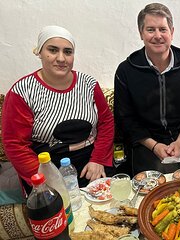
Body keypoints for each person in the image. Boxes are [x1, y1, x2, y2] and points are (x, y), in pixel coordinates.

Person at [1, 26, 115, 193]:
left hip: (91, 162)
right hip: (46, 166)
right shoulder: (22, 91)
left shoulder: (88, 84)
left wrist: (98, 159)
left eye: (68, 52)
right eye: (53, 50)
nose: (61, 58)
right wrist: (44, 178)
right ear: (39, 52)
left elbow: (106, 122)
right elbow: (15, 144)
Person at [114, 3, 180, 176]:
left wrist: (179, 142)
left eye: (163, 29)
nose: (157, 36)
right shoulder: (126, 71)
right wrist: (154, 146)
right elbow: (125, 119)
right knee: (157, 184)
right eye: (150, 29)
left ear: (172, 32)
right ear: (141, 33)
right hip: (145, 143)